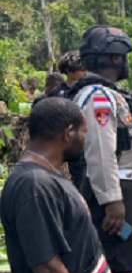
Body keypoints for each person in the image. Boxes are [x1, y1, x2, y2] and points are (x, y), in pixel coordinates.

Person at [68, 25, 132, 273]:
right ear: (114, 58)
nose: (126, 63)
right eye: (123, 57)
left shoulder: (108, 92)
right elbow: (100, 151)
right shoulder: (98, 95)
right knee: (115, 255)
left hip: (124, 186)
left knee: (123, 242)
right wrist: (112, 201)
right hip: (116, 189)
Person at [1, 98, 119, 273]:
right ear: (68, 133)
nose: (85, 139)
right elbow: (48, 269)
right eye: (83, 132)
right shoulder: (35, 186)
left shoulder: (47, 176)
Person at [49, 51, 90, 190]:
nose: (84, 73)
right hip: (63, 140)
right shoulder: (57, 93)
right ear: (69, 71)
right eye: (81, 70)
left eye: (86, 70)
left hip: (84, 140)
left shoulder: (88, 90)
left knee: (82, 177)